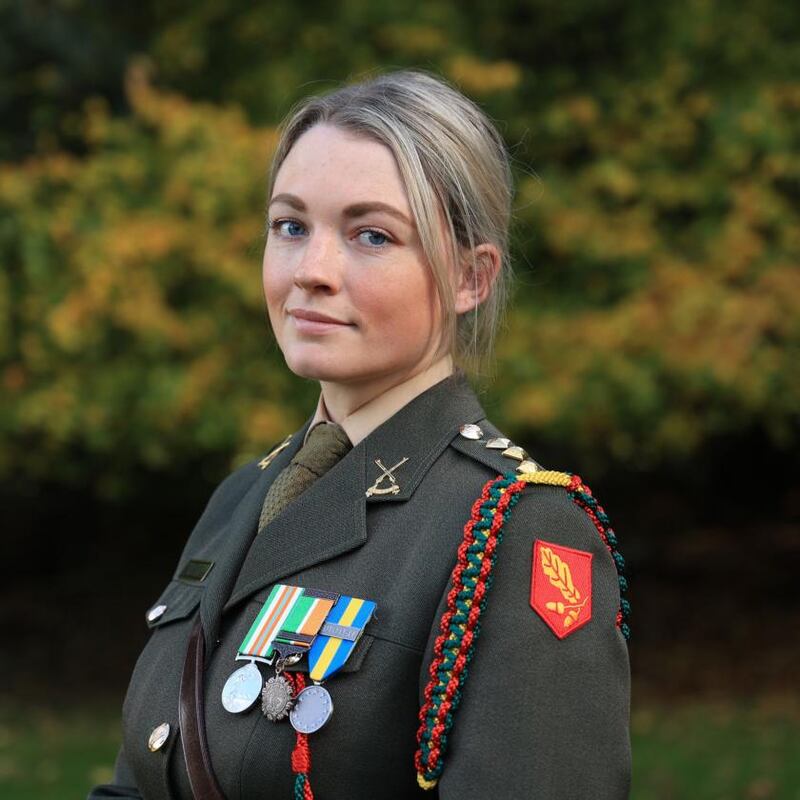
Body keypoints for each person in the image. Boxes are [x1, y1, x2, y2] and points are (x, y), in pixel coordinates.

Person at [89, 69, 631, 800]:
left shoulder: (514, 532)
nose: (311, 271)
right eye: (291, 226)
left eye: (371, 235)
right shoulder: (243, 496)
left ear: (471, 278)